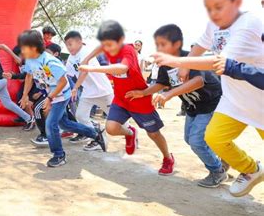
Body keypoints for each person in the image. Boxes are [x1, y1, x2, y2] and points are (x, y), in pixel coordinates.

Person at [153, 0, 264, 197]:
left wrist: (177, 62)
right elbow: (202, 44)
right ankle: (252, 170)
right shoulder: (214, 23)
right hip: (234, 100)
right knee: (213, 138)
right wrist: (185, 66)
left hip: (260, 99)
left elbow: (220, 62)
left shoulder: (248, 24)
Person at [127, 24, 226, 187]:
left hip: (211, 103)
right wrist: (143, 93)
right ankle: (224, 158)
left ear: (177, 44)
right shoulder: (165, 65)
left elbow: (198, 81)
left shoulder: (190, 59)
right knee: (189, 138)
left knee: (196, 141)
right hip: (193, 107)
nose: (159, 48)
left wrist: (169, 94)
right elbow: (161, 83)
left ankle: (217, 171)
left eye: (163, 44)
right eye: (157, 44)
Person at [80, 20, 174, 175]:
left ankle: (167, 158)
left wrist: (92, 68)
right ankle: (131, 133)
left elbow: (122, 68)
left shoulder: (128, 50)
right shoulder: (108, 47)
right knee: (111, 128)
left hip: (138, 98)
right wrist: (87, 58)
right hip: (121, 98)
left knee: (154, 133)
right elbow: (99, 48)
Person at [19, 30, 106, 167]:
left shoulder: (50, 61)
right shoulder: (30, 61)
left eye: (24, 47)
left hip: (61, 94)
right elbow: (29, 76)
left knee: (51, 123)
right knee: (64, 124)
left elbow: (63, 82)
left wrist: (49, 98)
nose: (22, 50)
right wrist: (24, 95)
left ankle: (59, 155)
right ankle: (95, 134)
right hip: (51, 93)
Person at [65, 30, 125, 151]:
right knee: (80, 116)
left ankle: (131, 133)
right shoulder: (71, 59)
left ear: (80, 42)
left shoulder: (86, 53)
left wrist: (76, 87)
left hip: (103, 91)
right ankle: (98, 136)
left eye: (70, 44)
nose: (68, 47)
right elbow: (68, 74)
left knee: (117, 119)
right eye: (66, 45)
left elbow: (84, 72)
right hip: (88, 92)